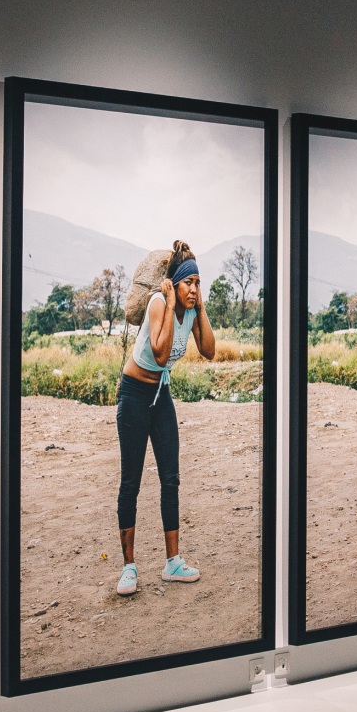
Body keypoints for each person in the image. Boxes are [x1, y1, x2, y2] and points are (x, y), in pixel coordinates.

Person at [113, 242, 216, 595]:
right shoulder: (160, 304)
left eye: (198, 283)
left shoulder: (191, 308)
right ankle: (128, 567)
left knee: (170, 478)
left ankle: (172, 562)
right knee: (131, 482)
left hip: (161, 395)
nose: (194, 288)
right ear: (175, 283)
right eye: (189, 282)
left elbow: (210, 350)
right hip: (134, 394)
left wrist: (198, 307)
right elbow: (158, 353)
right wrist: (171, 303)